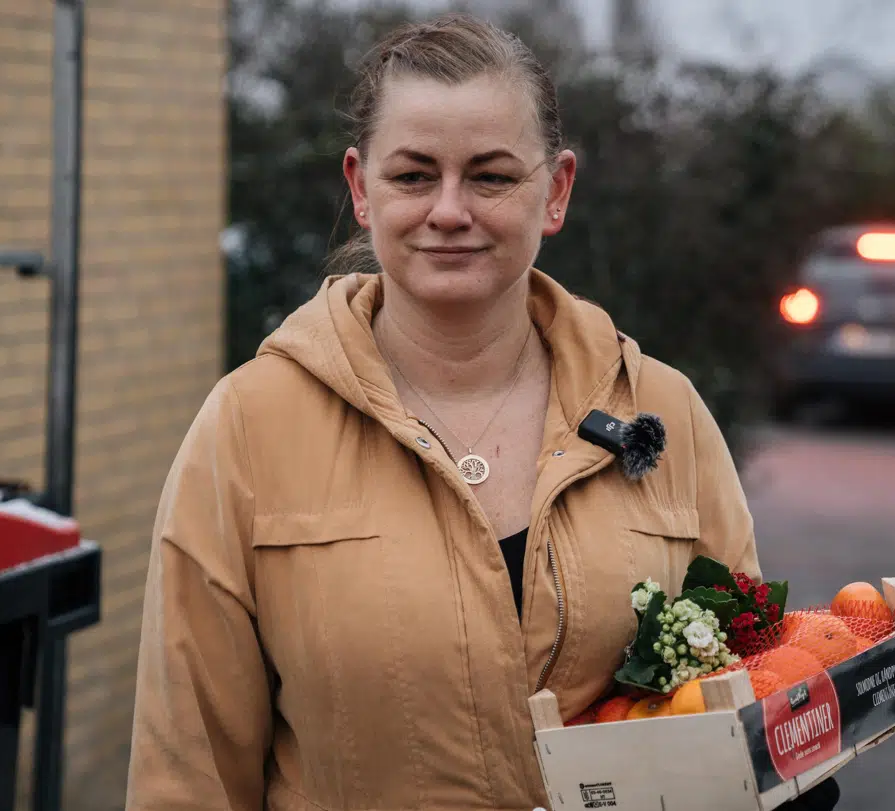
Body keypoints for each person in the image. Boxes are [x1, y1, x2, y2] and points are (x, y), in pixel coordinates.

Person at [125, 12, 838, 811]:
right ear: (361, 189)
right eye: (414, 175)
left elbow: (747, 676)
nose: (450, 210)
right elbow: (187, 770)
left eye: (492, 176)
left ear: (556, 190)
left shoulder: (659, 408)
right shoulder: (249, 428)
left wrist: (774, 762)